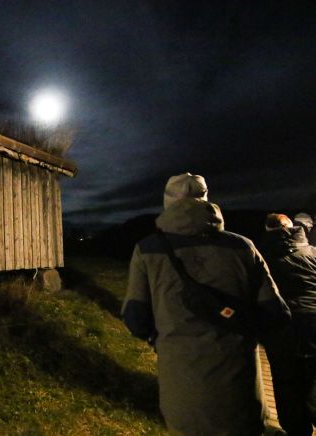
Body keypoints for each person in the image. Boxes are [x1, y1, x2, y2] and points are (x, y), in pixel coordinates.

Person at [122, 172, 291, 436]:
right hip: (240, 393)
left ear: (168, 202)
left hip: (182, 394)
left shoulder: (147, 250)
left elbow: (135, 318)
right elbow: (276, 313)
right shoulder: (243, 248)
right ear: (206, 199)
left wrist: (162, 336)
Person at [260, 213, 316, 435]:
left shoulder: (261, 257)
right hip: (313, 323)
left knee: (286, 382)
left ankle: (296, 429)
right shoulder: (312, 252)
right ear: (292, 228)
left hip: (281, 327)